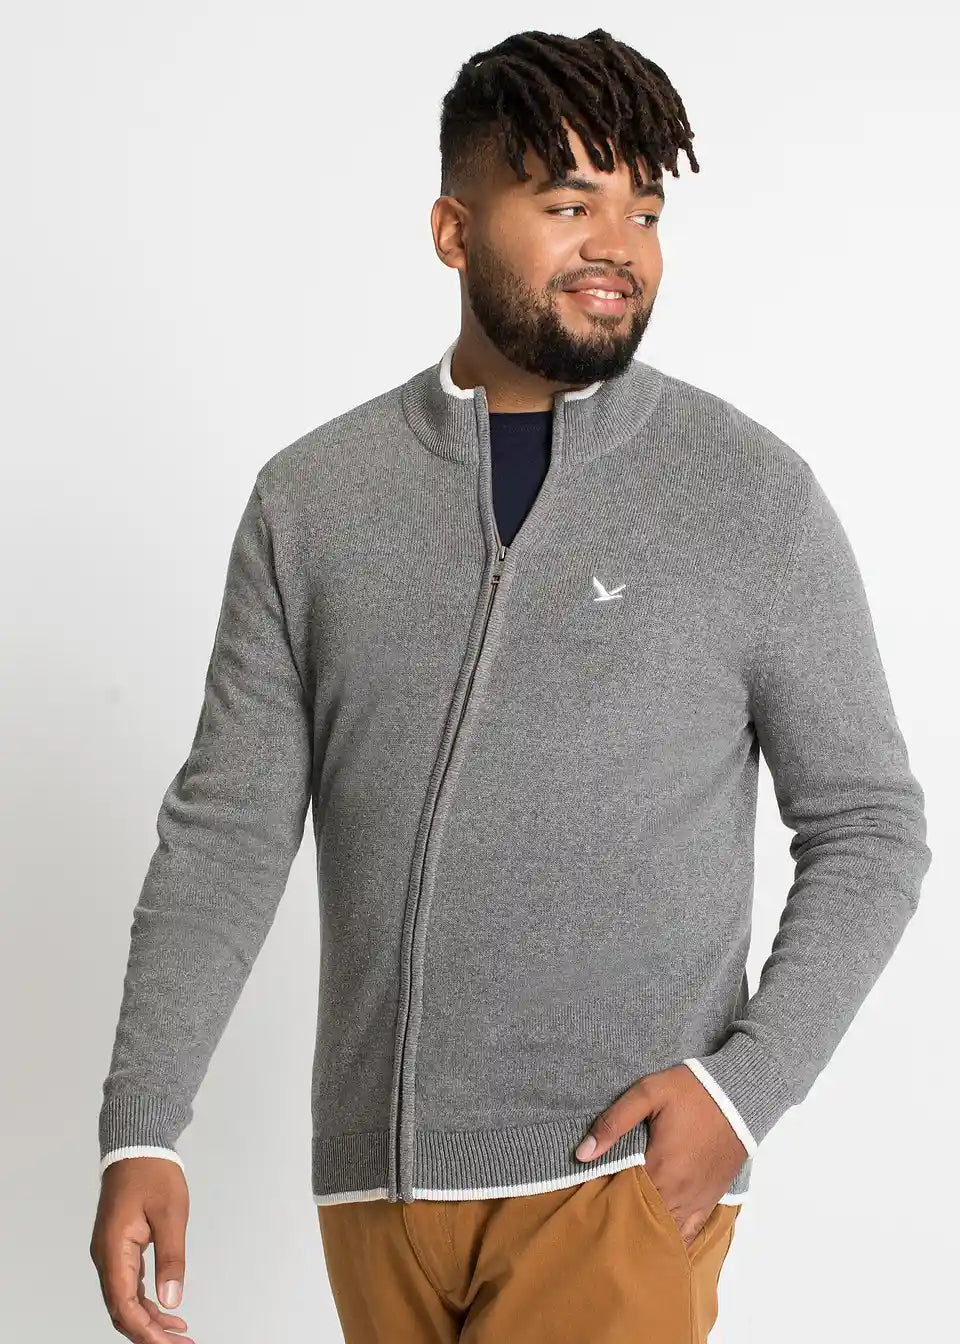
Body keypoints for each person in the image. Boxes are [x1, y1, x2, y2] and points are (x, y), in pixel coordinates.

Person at [89, 26, 932, 1344]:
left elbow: (871, 825)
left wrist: (744, 1092)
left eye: (644, 210)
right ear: (453, 229)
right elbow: (227, 833)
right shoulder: (314, 500)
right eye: (568, 204)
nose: (619, 244)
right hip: (375, 1192)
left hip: (612, 1180)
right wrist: (143, 1126)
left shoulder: (746, 495)